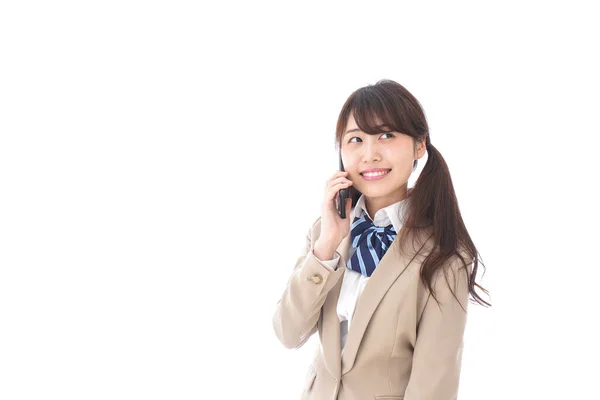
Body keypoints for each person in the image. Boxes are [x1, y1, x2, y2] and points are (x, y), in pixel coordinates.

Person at [272, 79, 491, 400]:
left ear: (419, 145)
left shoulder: (443, 253)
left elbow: (434, 382)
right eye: (356, 139)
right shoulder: (326, 231)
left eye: (387, 135)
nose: (370, 154)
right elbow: (288, 333)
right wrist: (326, 247)